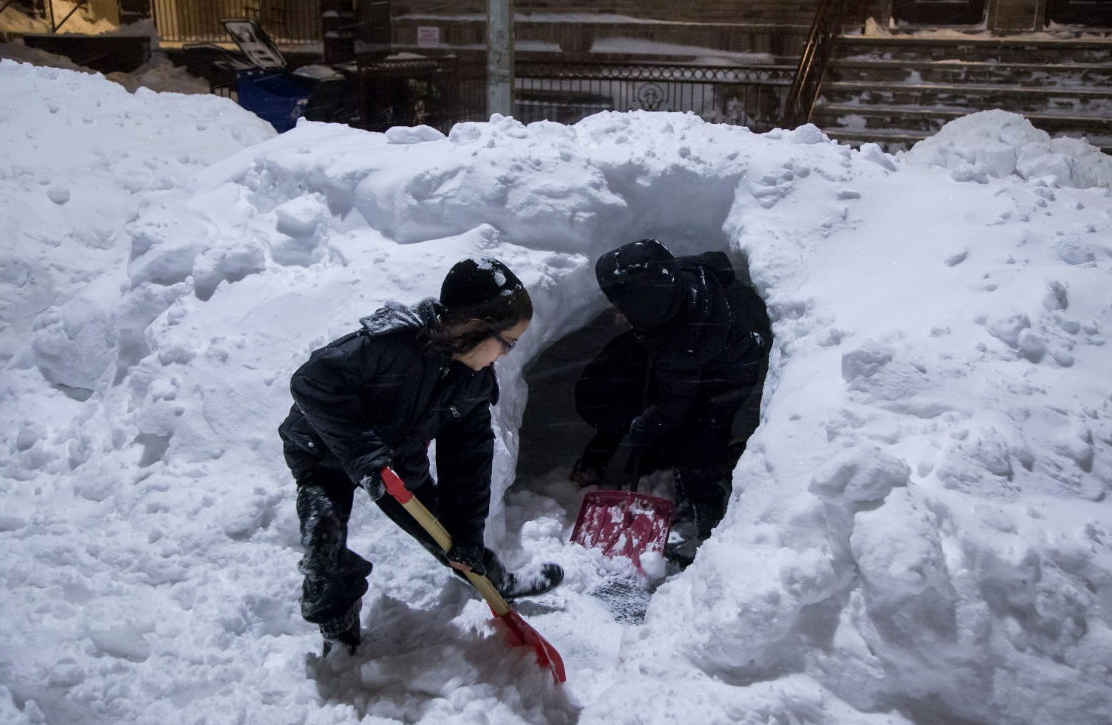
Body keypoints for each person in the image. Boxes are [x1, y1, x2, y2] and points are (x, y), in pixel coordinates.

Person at [279, 258, 563, 653]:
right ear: (473, 325)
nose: (504, 355)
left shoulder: (473, 383)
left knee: (451, 539)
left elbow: (468, 459)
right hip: (325, 453)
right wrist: (364, 454)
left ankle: (498, 582)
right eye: (507, 342)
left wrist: (466, 532)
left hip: (398, 466)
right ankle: (338, 629)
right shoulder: (391, 344)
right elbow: (313, 381)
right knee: (323, 548)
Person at [583, 239, 766, 564]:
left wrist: (645, 426)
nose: (620, 312)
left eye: (625, 307)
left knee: (699, 447)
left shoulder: (678, 345)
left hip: (730, 376)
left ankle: (708, 519)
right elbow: (721, 265)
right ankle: (693, 478)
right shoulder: (687, 271)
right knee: (686, 429)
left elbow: (674, 405)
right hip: (723, 352)